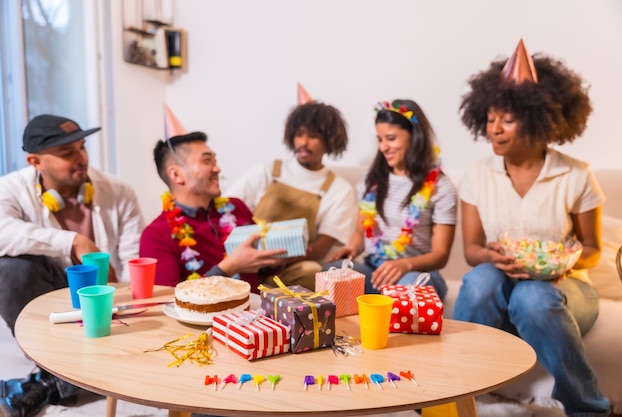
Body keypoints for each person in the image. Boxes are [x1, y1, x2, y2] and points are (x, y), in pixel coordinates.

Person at [452, 40, 611, 416]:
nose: (495, 129)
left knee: (533, 297)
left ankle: (588, 407)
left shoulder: (575, 174)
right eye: (490, 119)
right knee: (481, 279)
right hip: (499, 287)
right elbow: (472, 250)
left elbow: (592, 249)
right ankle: (451, 395)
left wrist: (561, 264)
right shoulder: (478, 174)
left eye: (507, 120)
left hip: (564, 291)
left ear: (539, 118)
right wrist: (492, 256)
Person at [0, 114, 144, 417]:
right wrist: (72, 241)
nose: (81, 158)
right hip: (52, 294)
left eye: (82, 147)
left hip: (109, 298)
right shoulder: (11, 189)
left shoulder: (120, 191)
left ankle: (51, 383)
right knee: (11, 269)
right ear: (35, 161)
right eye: (67, 153)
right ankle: (59, 373)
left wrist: (131, 298)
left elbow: (134, 255)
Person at [139, 105, 286, 289]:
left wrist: (276, 260)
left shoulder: (236, 208)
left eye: (215, 161)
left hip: (253, 312)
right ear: (176, 175)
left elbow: (258, 272)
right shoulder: (156, 236)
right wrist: (229, 267)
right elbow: (169, 301)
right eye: (207, 161)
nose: (217, 169)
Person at [324, 99, 457, 299]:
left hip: (416, 273)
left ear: (415, 136)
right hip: (374, 270)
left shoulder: (440, 187)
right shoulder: (373, 180)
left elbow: (440, 255)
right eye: (380, 139)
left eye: (391, 138)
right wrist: (351, 248)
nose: (384, 147)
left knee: (406, 290)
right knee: (332, 272)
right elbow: (361, 232)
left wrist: (405, 264)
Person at [226, 101, 357, 291]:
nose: (303, 142)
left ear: (329, 141)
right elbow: (227, 210)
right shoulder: (269, 170)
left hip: (291, 266)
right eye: (299, 135)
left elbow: (322, 246)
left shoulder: (339, 189)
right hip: (246, 257)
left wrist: (278, 258)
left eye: (313, 136)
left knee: (312, 271)